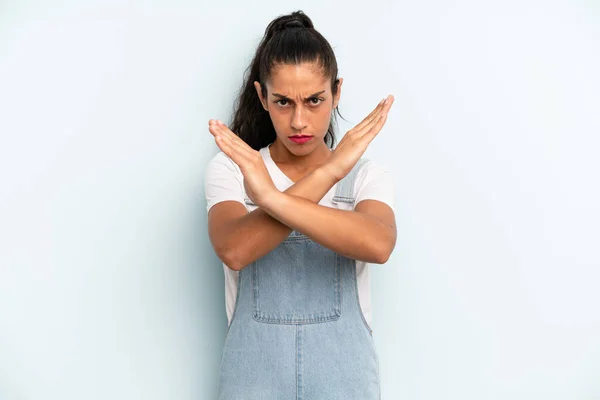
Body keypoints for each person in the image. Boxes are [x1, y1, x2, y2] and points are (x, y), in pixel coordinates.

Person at [205, 10, 396, 399]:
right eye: (282, 102)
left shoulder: (365, 176)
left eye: (314, 100)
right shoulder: (232, 168)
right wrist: (328, 173)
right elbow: (236, 250)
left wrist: (271, 199)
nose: (298, 121)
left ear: (336, 91)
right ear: (262, 96)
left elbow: (379, 245)